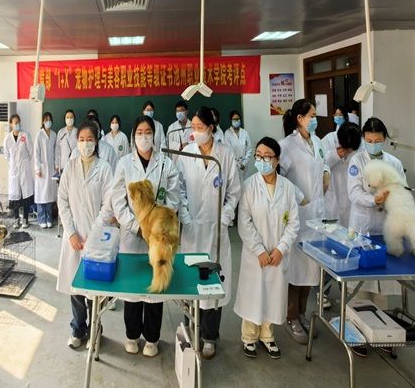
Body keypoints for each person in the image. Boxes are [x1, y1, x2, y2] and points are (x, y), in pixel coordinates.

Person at [110, 115, 180, 357]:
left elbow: (173, 197)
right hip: (132, 236)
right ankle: (132, 335)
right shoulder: (124, 164)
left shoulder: (166, 164)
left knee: (155, 289)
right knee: (132, 291)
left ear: (154, 135)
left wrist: (158, 227)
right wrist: (136, 227)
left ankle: (152, 338)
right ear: (133, 136)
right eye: (139, 132)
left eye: (148, 132)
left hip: (158, 237)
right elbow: (118, 200)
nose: (144, 136)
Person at [178, 106, 242, 359]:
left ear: (211, 128)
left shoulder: (225, 155)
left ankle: (209, 337)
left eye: (200, 127)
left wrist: (225, 217)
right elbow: (178, 187)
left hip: (216, 229)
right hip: (192, 229)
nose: (196, 132)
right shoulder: (186, 153)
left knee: (213, 285)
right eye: (193, 127)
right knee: (190, 282)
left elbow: (234, 191)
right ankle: (190, 329)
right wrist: (184, 215)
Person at [235, 137, 300, 359]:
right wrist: (259, 250)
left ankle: (267, 336)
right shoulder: (249, 186)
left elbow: (294, 223)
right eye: (258, 156)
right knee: (253, 294)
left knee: (273, 295)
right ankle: (249, 337)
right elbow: (244, 222)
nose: (262, 161)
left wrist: (281, 248)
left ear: (277, 160)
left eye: (267, 157)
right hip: (256, 255)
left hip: (278, 254)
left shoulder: (288, 188)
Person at [347, 117, 406, 357]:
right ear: (363, 139)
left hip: (385, 227)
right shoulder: (356, 161)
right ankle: (356, 335)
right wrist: (374, 199)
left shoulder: (394, 162)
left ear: (385, 139)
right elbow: (353, 193)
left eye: (377, 140)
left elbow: (402, 189)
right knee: (360, 286)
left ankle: (382, 333)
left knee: (383, 284)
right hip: (362, 227)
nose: (373, 144)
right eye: (369, 140)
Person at [57, 121, 114, 349]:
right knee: (76, 288)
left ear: (96, 141)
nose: (85, 143)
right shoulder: (70, 167)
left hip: (96, 237)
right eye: (81, 139)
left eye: (89, 139)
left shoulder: (105, 168)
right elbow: (62, 200)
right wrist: (71, 232)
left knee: (94, 288)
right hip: (74, 237)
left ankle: (95, 329)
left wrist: (95, 233)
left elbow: (108, 204)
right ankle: (78, 329)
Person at [279, 99, 330, 345]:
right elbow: (280, 177)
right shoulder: (286, 146)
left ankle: (301, 313)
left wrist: (327, 172)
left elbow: (323, 162)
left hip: (317, 216)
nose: (315, 119)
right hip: (299, 215)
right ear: (300, 118)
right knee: (296, 269)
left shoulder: (317, 142)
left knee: (311, 268)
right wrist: (300, 197)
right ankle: (291, 317)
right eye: (312, 115)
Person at [323, 122, 362, 227]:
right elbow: (319, 164)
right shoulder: (329, 140)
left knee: (351, 230)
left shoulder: (361, 144)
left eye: (351, 149)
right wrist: (334, 155)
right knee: (331, 230)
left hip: (352, 200)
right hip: (333, 197)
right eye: (346, 148)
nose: (348, 151)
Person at [3, 114, 35, 228]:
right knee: (15, 197)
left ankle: (25, 219)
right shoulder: (7, 139)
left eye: (18, 122)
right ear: (11, 124)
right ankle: (16, 220)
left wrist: (24, 162)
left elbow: (31, 151)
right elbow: (6, 155)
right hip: (14, 171)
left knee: (25, 197)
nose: (17, 124)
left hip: (24, 169)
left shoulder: (25, 135)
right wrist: (13, 164)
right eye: (15, 122)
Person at [34, 112, 58, 228]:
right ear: (43, 121)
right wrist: (37, 168)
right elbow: (36, 152)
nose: (48, 122)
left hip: (51, 168)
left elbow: (56, 151)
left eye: (49, 119)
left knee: (49, 194)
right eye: (46, 120)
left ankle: (49, 218)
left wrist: (56, 165)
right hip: (42, 169)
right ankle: (41, 219)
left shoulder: (54, 134)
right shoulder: (39, 134)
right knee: (41, 195)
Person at [224, 110, 253, 182]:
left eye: (238, 119)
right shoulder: (227, 133)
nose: (236, 121)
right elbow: (229, 151)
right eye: (234, 119)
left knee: (246, 183)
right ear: (231, 120)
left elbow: (249, 148)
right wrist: (238, 164)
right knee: (235, 184)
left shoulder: (244, 132)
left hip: (245, 165)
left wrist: (244, 163)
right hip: (233, 165)